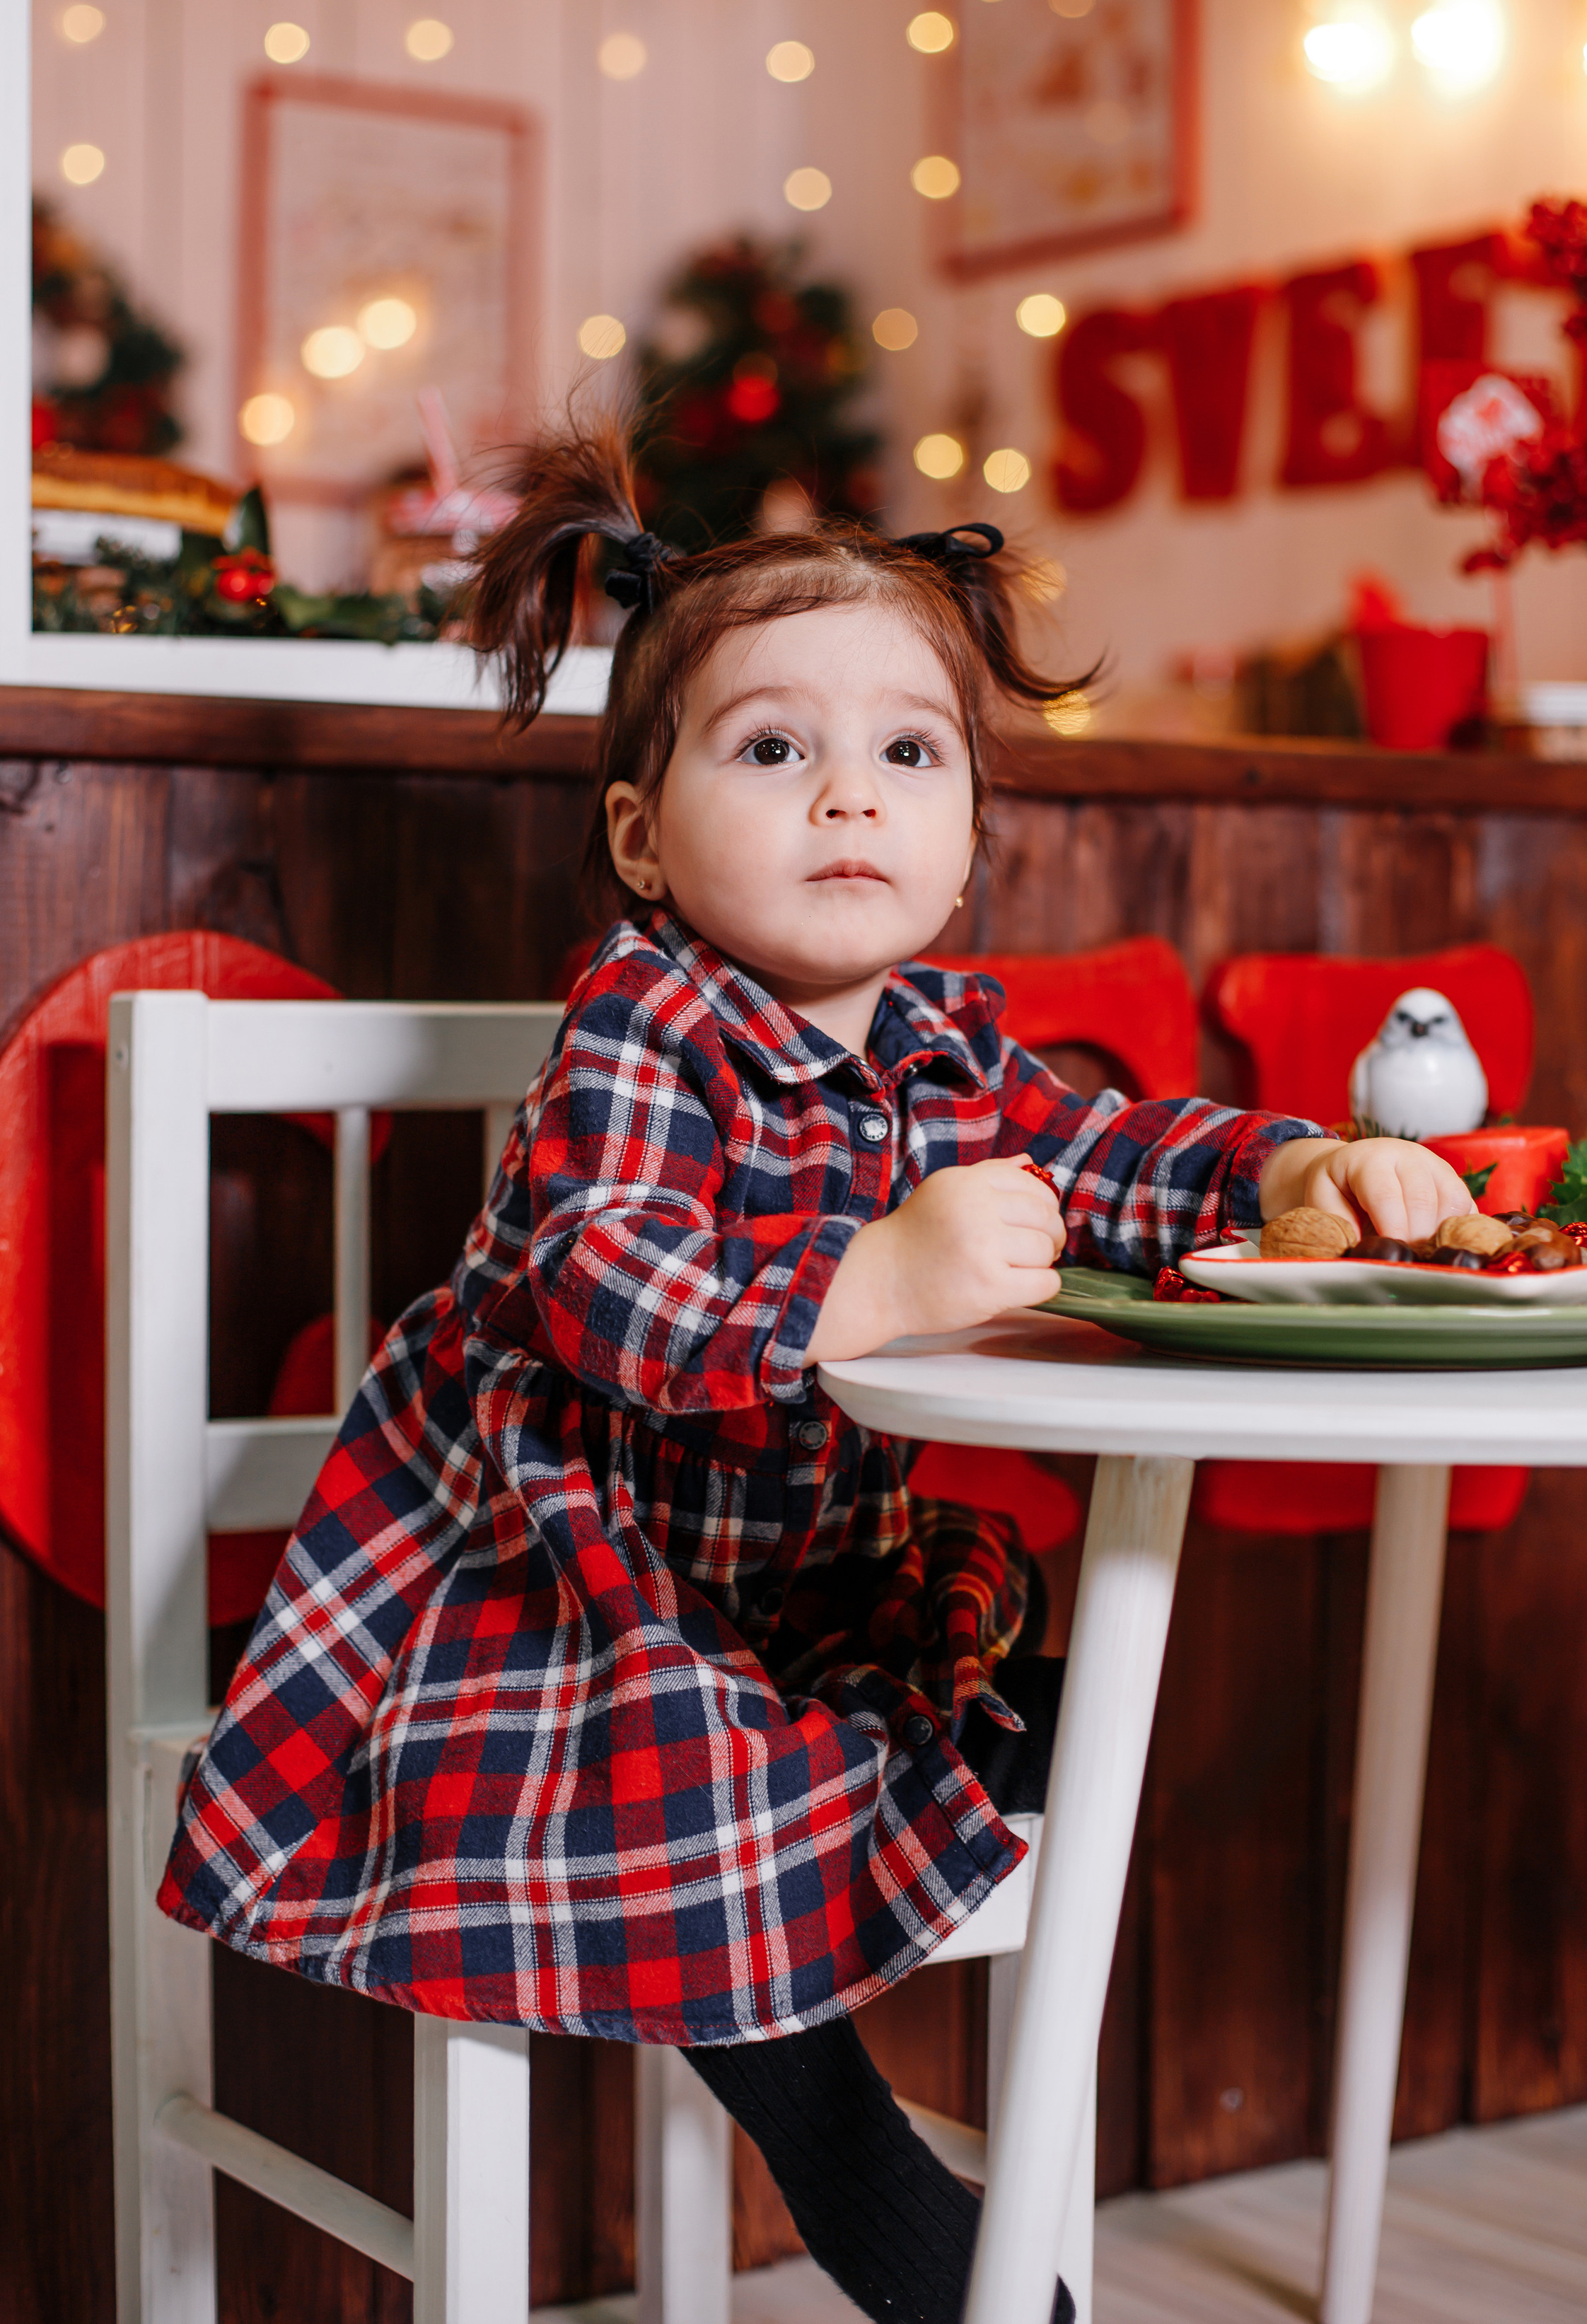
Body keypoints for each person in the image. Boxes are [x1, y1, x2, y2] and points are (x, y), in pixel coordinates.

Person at [159, 423, 1474, 2324]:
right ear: (644, 834)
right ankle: (897, 2204)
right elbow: (590, 1272)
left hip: (770, 1593)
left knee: (1015, 1677)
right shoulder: (648, 1017)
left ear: (961, 853)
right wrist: (860, 1276)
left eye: (907, 755)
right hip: (534, 1596)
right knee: (700, 1773)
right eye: (776, 749)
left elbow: (1102, 1157)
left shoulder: (949, 1045)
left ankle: (883, 1865)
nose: (848, 797)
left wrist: (1280, 1169)